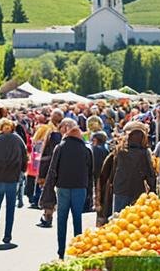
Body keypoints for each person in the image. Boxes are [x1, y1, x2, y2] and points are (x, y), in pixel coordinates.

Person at [46, 120, 94, 259]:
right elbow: (90, 172)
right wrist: (90, 192)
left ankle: (61, 251)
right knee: (77, 219)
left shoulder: (60, 147)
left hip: (63, 187)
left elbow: (53, 169)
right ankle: (77, 250)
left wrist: (49, 189)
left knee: (62, 219)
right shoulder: (86, 149)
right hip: (80, 187)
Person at [0, 118, 27, 245]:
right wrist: (22, 171)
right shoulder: (18, 139)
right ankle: (7, 236)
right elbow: (25, 156)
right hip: (12, 178)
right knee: (10, 209)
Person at [104, 123, 156, 216]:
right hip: (137, 189)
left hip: (120, 188)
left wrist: (112, 183)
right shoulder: (144, 153)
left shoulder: (120, 151)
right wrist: (152, 189)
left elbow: (114, 169)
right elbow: (150, 173)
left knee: (118, 217)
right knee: (135, 219)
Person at [35, 108, 65, 227]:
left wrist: (41, 173)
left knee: (49, 192)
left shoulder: (51, 133)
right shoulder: (66, 135)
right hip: (61, 168)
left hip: (50, 167)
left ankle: (48, 216)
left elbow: (43, 151)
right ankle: (49, 216)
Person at [89, 131, 110, 215]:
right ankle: (99, 203)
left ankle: (96, 204)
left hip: (96, 171)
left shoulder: (94, 149)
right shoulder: (106, 149)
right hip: (103, 171)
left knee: (96, 188)